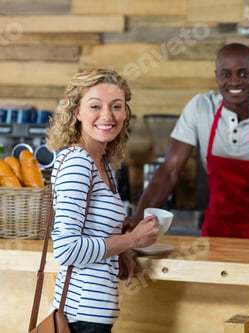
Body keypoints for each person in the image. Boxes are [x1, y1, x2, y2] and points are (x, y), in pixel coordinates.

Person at [128, 42, 249, 240]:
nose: (234, 82)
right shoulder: (200, 107)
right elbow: (170, 170)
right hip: (214, 237)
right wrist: (139, 218)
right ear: (216, 76)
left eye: (243, 74)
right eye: (226, 74)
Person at [45, 68, 159, 333]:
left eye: (116, 106)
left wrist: (118, 251)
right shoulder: (77, 162)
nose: (107, 116)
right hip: (79, 317)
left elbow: (92, 234)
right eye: (95, 106)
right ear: (76, 112)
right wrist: (133, 240)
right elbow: (67, 249)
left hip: (92, 316)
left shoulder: (103, 164)